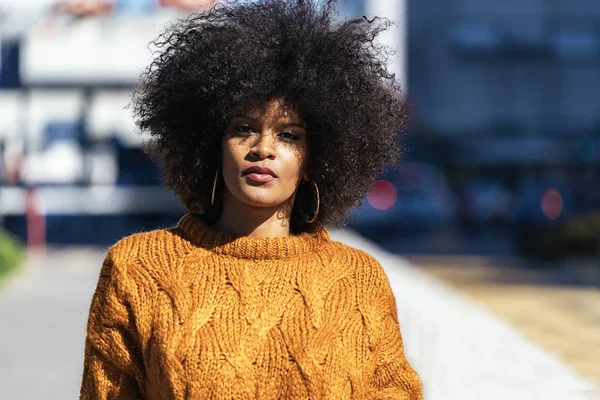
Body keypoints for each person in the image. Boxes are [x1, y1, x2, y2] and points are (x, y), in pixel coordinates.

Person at [79, 0, 423, 398]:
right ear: (211, 144)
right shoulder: (138, 268)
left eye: (289, 135)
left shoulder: (358, 280)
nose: (264, 148)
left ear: (317, 158)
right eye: (243, 128)